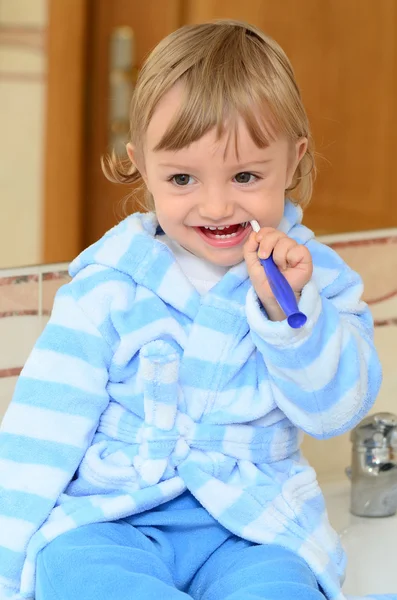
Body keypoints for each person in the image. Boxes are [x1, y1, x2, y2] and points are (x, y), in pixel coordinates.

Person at [0, 19, 381, 600]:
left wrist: (290, 314)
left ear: (293, 159)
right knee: (72, 569)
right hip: (116, 516)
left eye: (247, 175)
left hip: (252, 524)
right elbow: (39, 433)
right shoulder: (109, 286)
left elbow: (333, 414)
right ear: (141, 163)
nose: (217, 203)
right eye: (182, 177)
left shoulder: (315, 277)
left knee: (282, 588)